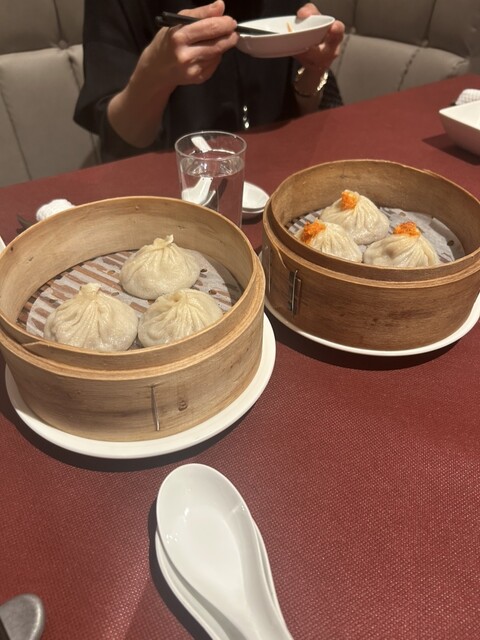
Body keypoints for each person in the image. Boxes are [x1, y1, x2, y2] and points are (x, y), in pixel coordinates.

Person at [74, 1, 345, 162]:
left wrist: (314, 70)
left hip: (283, 171)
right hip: (175, 190)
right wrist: (154, 76)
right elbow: (120, 140)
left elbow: (306, 110)